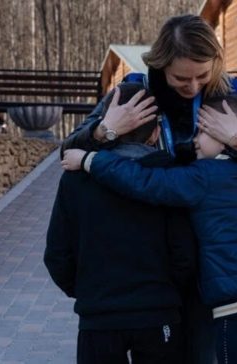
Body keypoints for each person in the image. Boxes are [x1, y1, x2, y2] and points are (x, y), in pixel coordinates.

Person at [62, 14, 237, 364]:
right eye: (180, 78)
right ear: (161, 64)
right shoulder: (135, 92)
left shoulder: (232, 97)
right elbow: (69, 152)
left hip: (213, 266)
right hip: (154, 269)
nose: (193, 87)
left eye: (203, 75)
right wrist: (105, 131)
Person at [45, 82, 196, 364]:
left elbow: (57, 255)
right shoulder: (168, 177)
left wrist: (89, 292)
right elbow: (185, 254)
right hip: (158, 313)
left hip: (98, 318)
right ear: (154, 134)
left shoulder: (75, 178)